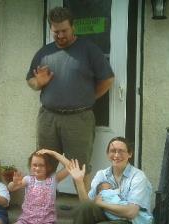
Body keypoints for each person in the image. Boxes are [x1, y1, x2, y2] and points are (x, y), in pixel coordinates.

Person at [26, 6, 114, 188]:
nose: (60, 35)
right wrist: (38, 82)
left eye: (64, 30)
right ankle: (42, 210)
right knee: (43, 165)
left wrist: (88, 98)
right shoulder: (44, 53)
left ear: (73, 27)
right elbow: (31, 81)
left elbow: (108, 79)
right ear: (51, 29)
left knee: (79, 169)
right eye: (55, 31)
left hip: (79, 119)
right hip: (48, 118)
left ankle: (85, 213)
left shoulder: (89, 50)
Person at [68, 137, 153, 224]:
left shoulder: (138, 177)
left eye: (121, 151)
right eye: (113, 151)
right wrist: (79, 182)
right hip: (110, 218)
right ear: (108, 154)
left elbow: (131, 212)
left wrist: (102, 204)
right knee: (83, 209)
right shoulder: (102, 175)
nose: (116, 155)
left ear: (130, 154)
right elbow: (86, 205)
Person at [0, 149, 70, 224]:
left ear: (49, 167)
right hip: (26, 221)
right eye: (34, 165)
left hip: (45, 222)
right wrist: (14, 183)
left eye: (41, 165)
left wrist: (53, 153)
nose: (37, 168)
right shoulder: (28, 179)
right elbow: (11, 188)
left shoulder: (53, 179)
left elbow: (69, 166)